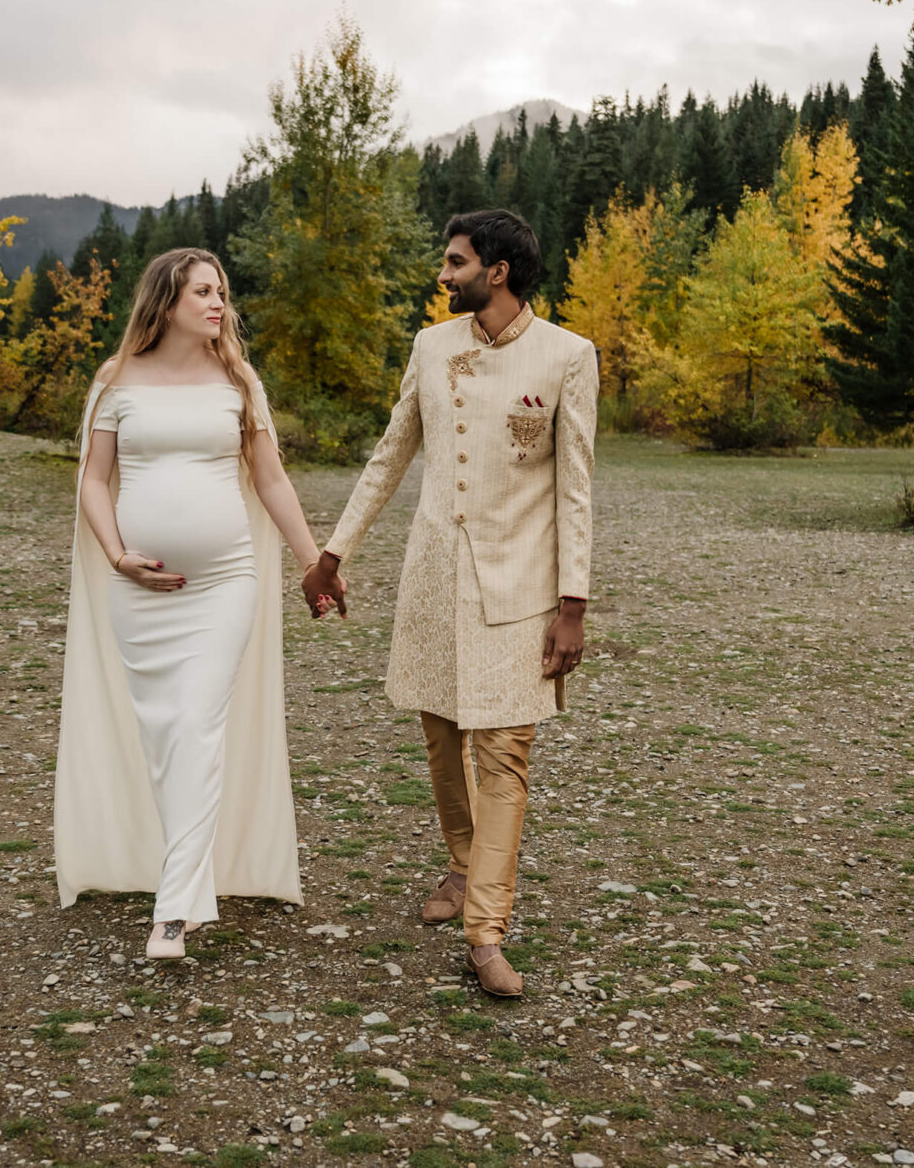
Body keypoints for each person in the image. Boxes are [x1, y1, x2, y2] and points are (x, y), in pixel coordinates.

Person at [302, 209, 597, 997]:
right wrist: (333, 553)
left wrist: (573, 605)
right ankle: (463, 865)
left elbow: (577, 487)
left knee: (505, 754)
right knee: (441, 737)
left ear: (496, 270)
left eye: (455, 260)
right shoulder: (431, 346)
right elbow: (390, 452)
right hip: (432, 579)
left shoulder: (569, 357)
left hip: (522, 589)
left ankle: (486, 933)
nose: (444, 272)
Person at [55, 248, 323, 960]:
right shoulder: (115, 381)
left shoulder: (238, 380)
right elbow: (92, 480)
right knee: (167, 736)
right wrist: (117, 555)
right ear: (166, 299)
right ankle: (189, 887)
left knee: (197, 724)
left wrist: (312, 561)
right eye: (204, 290)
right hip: (139, 593)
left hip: (225, 580)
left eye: (223, 291)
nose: (219, 303)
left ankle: (171, 914)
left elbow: (270, 482)